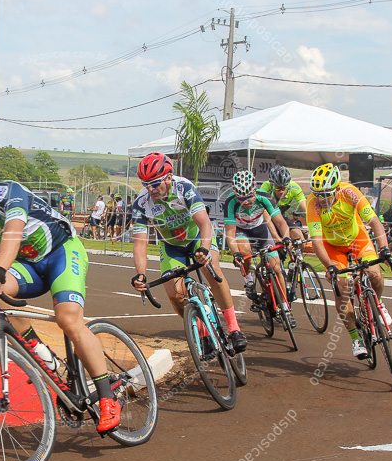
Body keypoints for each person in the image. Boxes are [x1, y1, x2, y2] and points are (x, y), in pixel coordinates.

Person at [0, 147, 121, 433]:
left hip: (62, 253)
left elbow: (14, 233)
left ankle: (107, 397)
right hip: (29, 263)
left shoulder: (9, 192)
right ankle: (44, 357)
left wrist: (0, 268)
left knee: (68, 319)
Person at [128, 152, 248, 354]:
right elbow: (139, 244)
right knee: (175, 295)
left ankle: (234, 328)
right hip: (171, 246)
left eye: (155, 183)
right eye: (145, 184)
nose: (150, 189)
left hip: (197, 239)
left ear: (168, 177)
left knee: (213, 270)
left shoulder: (184, 187)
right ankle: (202, 333)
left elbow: (204, 223)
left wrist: (204, 249)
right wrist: (141, 273)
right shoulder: (141, 203)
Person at [305, 163, 392, 360]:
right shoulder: (313, 203)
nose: (322, 199)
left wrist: (385, 248)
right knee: (342, 287)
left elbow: (374, 222)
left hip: (356, 239)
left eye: (326, 194)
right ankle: (355, 338)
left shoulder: (350, 192)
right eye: (318, 194)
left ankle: (378, 303)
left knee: (375, 273)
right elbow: (317, 242)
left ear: (337, 188)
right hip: (332, 246)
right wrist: (330, 266)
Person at [225, 169, 298, 328]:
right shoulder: (230, 202)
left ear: (255, 190)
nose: (246, 201)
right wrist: (235, 253)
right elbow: (230, 232)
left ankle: (285, 308)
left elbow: (280, 222)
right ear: (236, 194)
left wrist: (285, 237)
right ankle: (249, 281)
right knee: (245, 252)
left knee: (277, 267)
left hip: (260, 230)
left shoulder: (265, 197)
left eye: (249, 196)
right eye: (242, 198)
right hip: (241, 231)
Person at [258, 164, 308, 244]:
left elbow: (306, 210)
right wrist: (276, 237)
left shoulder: (295, 188)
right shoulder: (266, 187)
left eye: (284, 188)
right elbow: (266, 218)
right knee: (274, 243)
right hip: (265, 216)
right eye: (278, 188)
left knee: (300, 239)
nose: (281, 191)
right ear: (272, 186)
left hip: (281, 215)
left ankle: (297, 256)